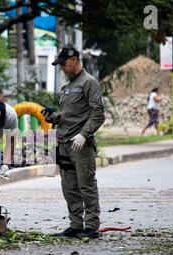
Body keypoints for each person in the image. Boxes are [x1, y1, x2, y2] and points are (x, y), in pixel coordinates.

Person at [41, 46, 105, 239]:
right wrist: (54, 117)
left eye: (64, 63)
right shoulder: (67, 87)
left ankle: (92, 226)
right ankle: (76, 224)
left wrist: (84, 134)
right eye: (59, 64)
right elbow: (70, 115)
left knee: (86, 184)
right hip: (64, 142)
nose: (61, 67)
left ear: (75, 60)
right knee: (69, 187)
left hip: (80, 144)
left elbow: (98, 114)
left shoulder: (89, 83)